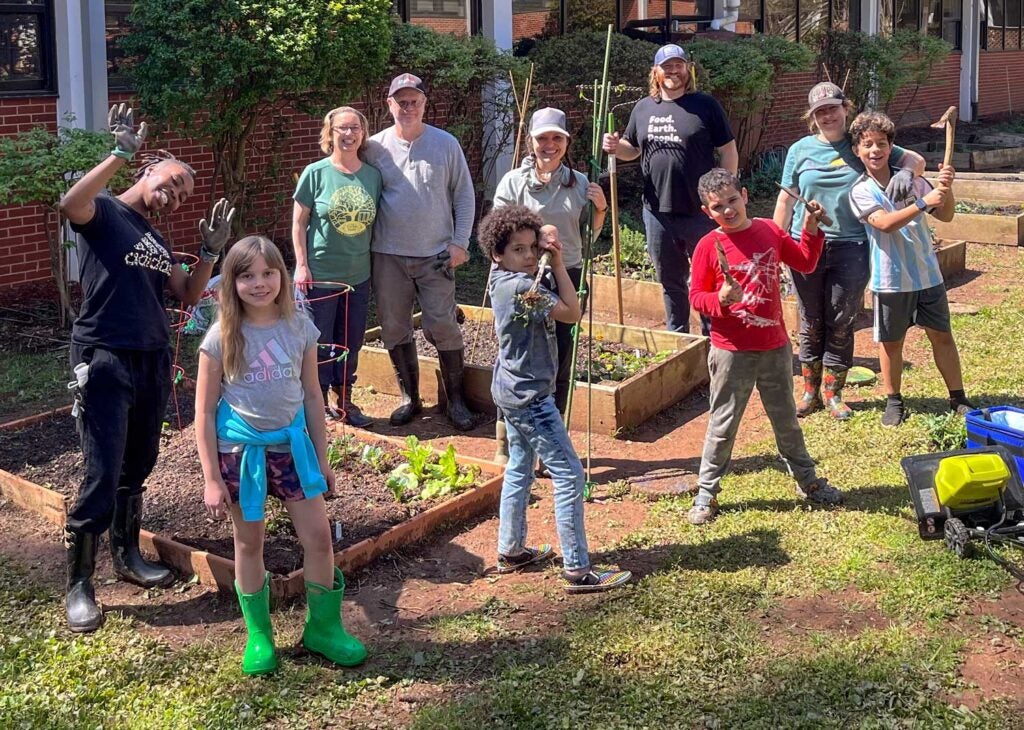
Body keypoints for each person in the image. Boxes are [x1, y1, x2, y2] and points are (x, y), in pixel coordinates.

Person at [57, 104, 232, 633]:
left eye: (182, 194)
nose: (175, 195)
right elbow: (71, 203)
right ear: (148, 168)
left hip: (153, 358)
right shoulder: (106, 214)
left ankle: (128, 555)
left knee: (140, 460)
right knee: (102, 466)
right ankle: (80, 582)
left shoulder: (155, 239)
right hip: (105, 356)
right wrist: (117, 152)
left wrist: (207, 252)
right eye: (172, 182)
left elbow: (185, 293)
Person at [195, 236, 367, 675]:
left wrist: (323, 460)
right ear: (231, 283)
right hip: (242, 453)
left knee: (320, 538)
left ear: (282, 276)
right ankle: (259, 636)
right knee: (249, 543)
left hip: (293, 451)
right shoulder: (220, 337)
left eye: (268, 273)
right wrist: (212, 478)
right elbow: (203, 411)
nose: (259, 283)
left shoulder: (299, 327)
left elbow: (312, 395)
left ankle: (323, 629)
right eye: (247, 275)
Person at [478, 205, 632, 593]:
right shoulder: (522, 289)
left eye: (532, 248)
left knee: (519, 467)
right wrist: (559, 263)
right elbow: (571, 311)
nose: (529, 256)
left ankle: (511, 550)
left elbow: (539, 234)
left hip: (510, 389)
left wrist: (545, 242)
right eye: (518, 249)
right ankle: (579, 571)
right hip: (531, 397)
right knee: (569, 474)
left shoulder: (501, 277)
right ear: (497, 253)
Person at [687, 169, 843, 525]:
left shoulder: (769, 231)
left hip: (774, 346)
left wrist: (812, 228)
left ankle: (808, 480)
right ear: (706, 212)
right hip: (731, 351)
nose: (727, 210)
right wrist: (721, 300)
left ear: (744, 195)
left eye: (731, 201)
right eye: (717, 207)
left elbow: (804, 260)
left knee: (786, 419)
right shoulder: (708, 247)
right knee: (723, 423)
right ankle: (706, 494)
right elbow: (696, 297)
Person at [774, 82, 926, 421]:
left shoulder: (861, 144)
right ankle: (809, 390)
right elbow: (786, 199)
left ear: (846, 108)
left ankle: (833, 393)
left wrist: (904, 171)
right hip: (806, 244)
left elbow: (916, 160)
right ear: (812, 117)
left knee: (841, 320)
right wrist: (776, 243)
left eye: (833, 108)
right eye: (820, 111)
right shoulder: (800, 150)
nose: (828, 115)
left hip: (853, 245)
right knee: (810, 319)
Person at [491, 106, 608, 463]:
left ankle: (549, 443)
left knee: (558, 356)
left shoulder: (580, 183)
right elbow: (497, 232)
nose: (550, 145)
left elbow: (588, 241)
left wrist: (600, 210)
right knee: (516, 355)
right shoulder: (513, 182)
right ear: (531, 141)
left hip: (564, 275)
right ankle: (505, 441)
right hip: (521, 277)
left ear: (566, 142)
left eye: (557, 138)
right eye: (543, 138)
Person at [364, 73, 476, 431]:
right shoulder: (373, 148)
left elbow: (464, 194)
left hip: (436, 255)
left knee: (442, 325)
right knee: (394, 326)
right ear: (390, 105)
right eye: (401, 101)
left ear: (425, 104)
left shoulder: (445, 144)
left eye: (415, 101)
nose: (408, 107)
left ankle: (456, 400)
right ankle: (409, 398)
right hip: (388, 256)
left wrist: (460, 243)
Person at [847, 112, 974, 427]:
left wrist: (946, 187)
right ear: (857, 151)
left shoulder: (914, 181)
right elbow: (884, 224)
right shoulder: (860, 190)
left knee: (942, 336)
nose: (875, 150)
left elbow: (944, 215)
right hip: (890, 281)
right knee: (891, 345)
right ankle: (894, 401)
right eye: (867, 145)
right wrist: (921, 203)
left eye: (881, 144)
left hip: (927, 275)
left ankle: (958, 397)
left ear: (891, 147)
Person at [602, 43, 737, 335]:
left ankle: (714, 339)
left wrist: (726, 194)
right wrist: (615, 147)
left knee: (709, 278)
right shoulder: (643, 108)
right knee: (670, 280)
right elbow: (631, 149)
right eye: (667, 66)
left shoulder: (705, 105)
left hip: (700, 211)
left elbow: (728, 150)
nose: (673, 71)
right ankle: (677, 339)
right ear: (656, 71)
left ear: (687, 69)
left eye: (678, 65)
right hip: (657, 211)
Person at [293, 105, 381, 429]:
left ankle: (344, 400)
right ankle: (317, 403)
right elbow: (298, 224)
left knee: (352, 339)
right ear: (329, 134)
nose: (348, 134)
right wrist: (302, 265)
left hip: (359, 275)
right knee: (320, 342)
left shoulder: (372, 176)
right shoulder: (315, 174)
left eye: (354, 128)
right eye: (341, 128)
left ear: (363, 132)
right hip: (321, 275)